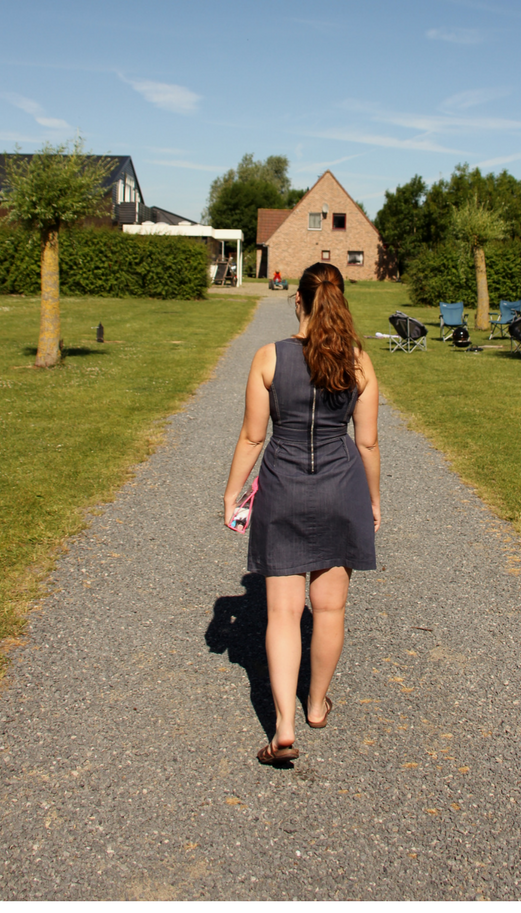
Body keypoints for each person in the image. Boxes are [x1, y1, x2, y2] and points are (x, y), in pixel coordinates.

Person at [223, 261, 380, 763]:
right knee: (330, 608)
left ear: (299, 301)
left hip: (283, 489)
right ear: (339, 302)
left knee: (283, 613)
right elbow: (369, 442)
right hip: (341, 489)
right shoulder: (358, 362)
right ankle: (315, 705)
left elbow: (252, 436)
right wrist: (374, 500)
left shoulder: (268, 358)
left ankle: (283, 727)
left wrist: (232, 493)